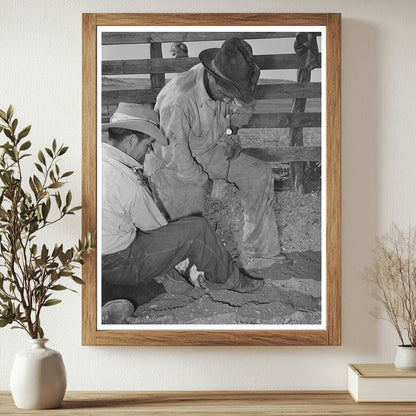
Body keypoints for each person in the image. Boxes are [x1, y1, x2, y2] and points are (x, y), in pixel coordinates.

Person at [101, 102, 263, 324]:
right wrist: (188, 266)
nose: (147, 151)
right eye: (147, 144)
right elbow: (158, 230)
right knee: (196, 229)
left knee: (157, 280)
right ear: (131, 141)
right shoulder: (127, 181)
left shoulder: (94, 160)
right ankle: (231, 280)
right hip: (118, 261)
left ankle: (109, 300)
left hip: (89, 258)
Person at [145, 38, 286, 268]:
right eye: (228, 92)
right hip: (170, 167)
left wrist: (232, 131)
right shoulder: (178, 101)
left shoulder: (235, 74)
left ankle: (260, 253)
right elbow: (179, 161)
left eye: (236, 91)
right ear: (212, 75)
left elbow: (244, 104)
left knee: (259, 174)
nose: (231, 98)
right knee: (190, 226)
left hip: (205, 150)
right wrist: (211, 186)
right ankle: (181, 268)